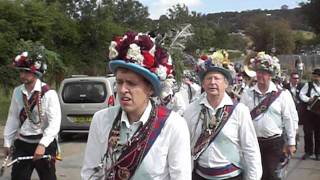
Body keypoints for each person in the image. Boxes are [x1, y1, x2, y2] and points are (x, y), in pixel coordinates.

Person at [81, 32, 192, 180]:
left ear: (150, 89)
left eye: (131, 83)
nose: (122, 90)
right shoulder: (101, 119)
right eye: (119, 82)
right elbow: (90, 172)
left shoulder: (173, 125)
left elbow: (181, 177)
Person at [184, 51, 262, 180]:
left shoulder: (239, 111)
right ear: (203, 84)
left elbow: (250, 148)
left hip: (231, 176)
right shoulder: (192, 109)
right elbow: (185, 147)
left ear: (226, 84)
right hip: (199, 176)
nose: (212, 82)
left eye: (217, 78)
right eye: (208, 78)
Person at [3, 45, 61, 180]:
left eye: (26, 71)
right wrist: (7, 142)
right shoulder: (17, 91)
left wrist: (42, 144)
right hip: (23, 143)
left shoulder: (49, 93)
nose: (22, 75)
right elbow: (13, 118)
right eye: (21, 71)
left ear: (36, 72)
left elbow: (54, 123)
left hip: (44, 143)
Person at [240, 52, 297, 180]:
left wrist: (291, 142)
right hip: (252, 142)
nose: (260, 75)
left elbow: (288, 119)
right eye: (258, 72)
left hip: (274, 142)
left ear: (271, 75)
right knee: (254, 174)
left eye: (264, 73)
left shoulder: (282, 94)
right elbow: (241, 118)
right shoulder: (247, 93)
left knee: (272, 174)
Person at [299, 67, 320, 161]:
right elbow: (301, 94)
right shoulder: (308, 85)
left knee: (318, 134)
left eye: (317, 76)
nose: (315, 78)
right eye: (314, 76)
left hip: (319, 113)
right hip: (309, 112)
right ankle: (308, 151)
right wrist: (309, 99)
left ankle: (318, 153)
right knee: (307, 132)